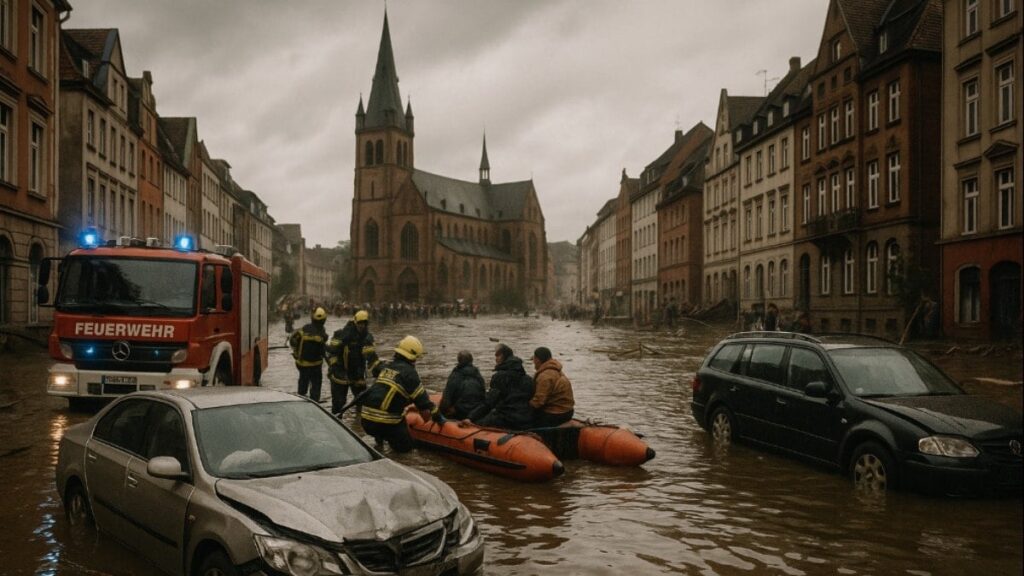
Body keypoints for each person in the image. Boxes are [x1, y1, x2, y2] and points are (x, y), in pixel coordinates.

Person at [359, 335, 438, 453]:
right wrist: (438, 416)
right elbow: (424, 405)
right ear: (412, 358)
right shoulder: (410, 374)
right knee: (406, 451)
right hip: (386, 422)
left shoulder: (386, 367)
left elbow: (375, 367)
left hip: (366, 420)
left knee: (384, 428)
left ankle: (379, 446)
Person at [465, 344, 535, 430]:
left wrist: (470, 417)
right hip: (526, 418)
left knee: (476, 425)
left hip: (506, 418)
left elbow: (489, 402)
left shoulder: (499, 377)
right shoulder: (528, 379)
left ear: (504, 356)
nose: (496, 359)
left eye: (498, 355)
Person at [325, 310, 381, 415]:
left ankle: (358, 425)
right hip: (340, 374)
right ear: (355, 323)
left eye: (364, 323)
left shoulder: (367, 338)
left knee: (362, 402)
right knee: (339, 404)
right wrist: (337, 369)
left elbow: (371, 357)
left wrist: (379, 370)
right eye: (360, 323)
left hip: (357, 374)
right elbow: (332, 353)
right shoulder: (342, 335)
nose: (362, 326)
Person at [288, 306, 328, 402]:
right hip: (316, 366)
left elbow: (292, 339)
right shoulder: (323, 334)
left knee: (302, 387)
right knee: (316, 388)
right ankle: (314, 404)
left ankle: (301, 402)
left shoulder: (304, 329)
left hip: (302, 365)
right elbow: (323, 350)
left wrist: (296, 352)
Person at [528, 346, 575, 428]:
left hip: (556, 414)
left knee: (525, 418)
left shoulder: (545, 376)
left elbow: (538, 402)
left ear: (537, 359)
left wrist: (524, 407)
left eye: (534, 359)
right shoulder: (557, 370)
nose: (534, 362)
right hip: (568, 411)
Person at [439, 351, 486, 420]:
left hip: (460, 412)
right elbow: (483, 393)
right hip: (477, 411)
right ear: (471, 360)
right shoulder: (478, 375)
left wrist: (439, 412)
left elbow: (447, 398)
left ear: (459, 360)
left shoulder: (455, 375)